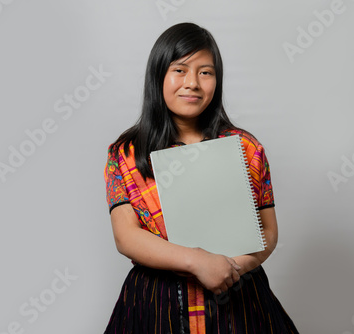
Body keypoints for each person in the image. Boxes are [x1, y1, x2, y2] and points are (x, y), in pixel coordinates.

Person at [103, 22, 299, 334]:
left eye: (205, 72)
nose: (192, 82)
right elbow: (126, 236)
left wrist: (231, 268)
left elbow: (268, 230)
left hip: (238, 303)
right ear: (158, 76)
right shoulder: (126, 153)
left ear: (217, 81)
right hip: (156, 305)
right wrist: (197, 262)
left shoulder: (247, 148)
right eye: (179, 70)